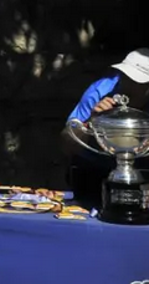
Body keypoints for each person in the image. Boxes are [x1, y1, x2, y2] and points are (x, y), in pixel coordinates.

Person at [61, 48, 149, 208]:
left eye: (138, 82)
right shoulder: (99, 92)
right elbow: (67, 144)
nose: (128, 85)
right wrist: (92, 121)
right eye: (125, 77)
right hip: (94, 172)